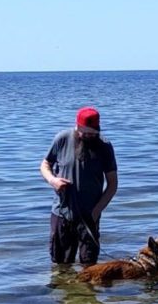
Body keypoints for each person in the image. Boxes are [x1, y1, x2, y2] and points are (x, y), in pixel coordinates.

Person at [40, 107, 118, 265]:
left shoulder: (105, 146)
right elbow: (45, 165)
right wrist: (53, 180)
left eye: (93, 132)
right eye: (85, 132)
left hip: (90, 215)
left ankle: (84, 290)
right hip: (62, 212)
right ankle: (62, 288)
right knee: (60, 263)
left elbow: (112, 185)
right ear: (77, 127)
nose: (89, 136)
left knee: (89, 264)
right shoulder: (62, 138)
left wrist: (96, 212)